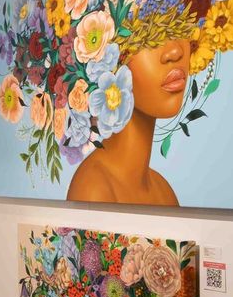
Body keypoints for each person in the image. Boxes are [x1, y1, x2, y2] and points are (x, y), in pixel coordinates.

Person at [66, 38, 189, 205]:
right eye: (147, 31)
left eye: (182, 29)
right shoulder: (94, 191)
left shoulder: (164, 193)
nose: (175, 52)